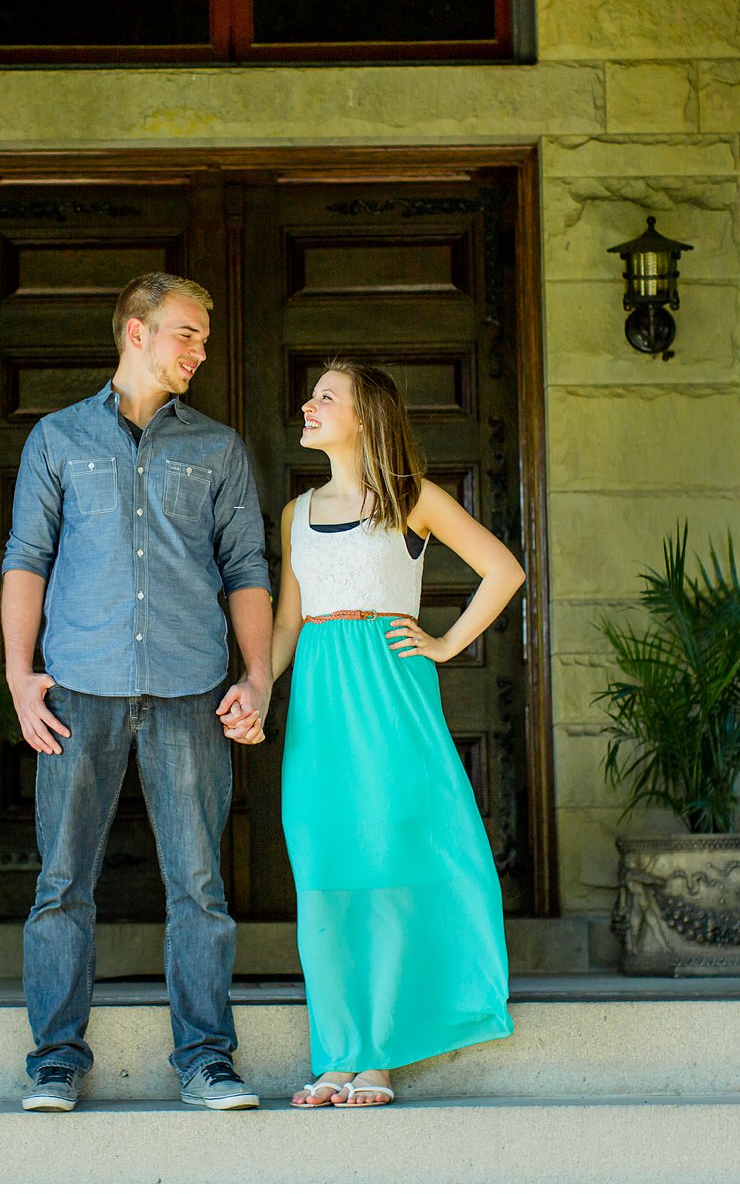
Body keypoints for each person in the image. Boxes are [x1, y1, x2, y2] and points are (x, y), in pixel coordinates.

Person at [0, 271, 273, 1114]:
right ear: (135, 333)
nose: (200, 349)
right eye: (186, 333)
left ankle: (205, 1060)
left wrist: (258, 674)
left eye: (203, 335)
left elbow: (246, 570)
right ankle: (54, 1059)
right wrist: (19, 673)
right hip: (78, 689)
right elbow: (26, 558)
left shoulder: (218, 449)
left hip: (192, 688)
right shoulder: (55, 440)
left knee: (199, 885)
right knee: (62, 881)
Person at [262, 359, 523, 1109]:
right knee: (323, 873)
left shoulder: (414, 500)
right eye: (311, 393)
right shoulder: (296, 513)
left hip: (390, 698)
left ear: (365, 416)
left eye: (325, 397)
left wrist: (446, 644)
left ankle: (376, 1056)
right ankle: (336, 1054)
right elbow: (286, 621)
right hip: (319, 704)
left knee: (385, 866)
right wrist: (256, 688)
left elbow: (502, 571)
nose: (308, 405)